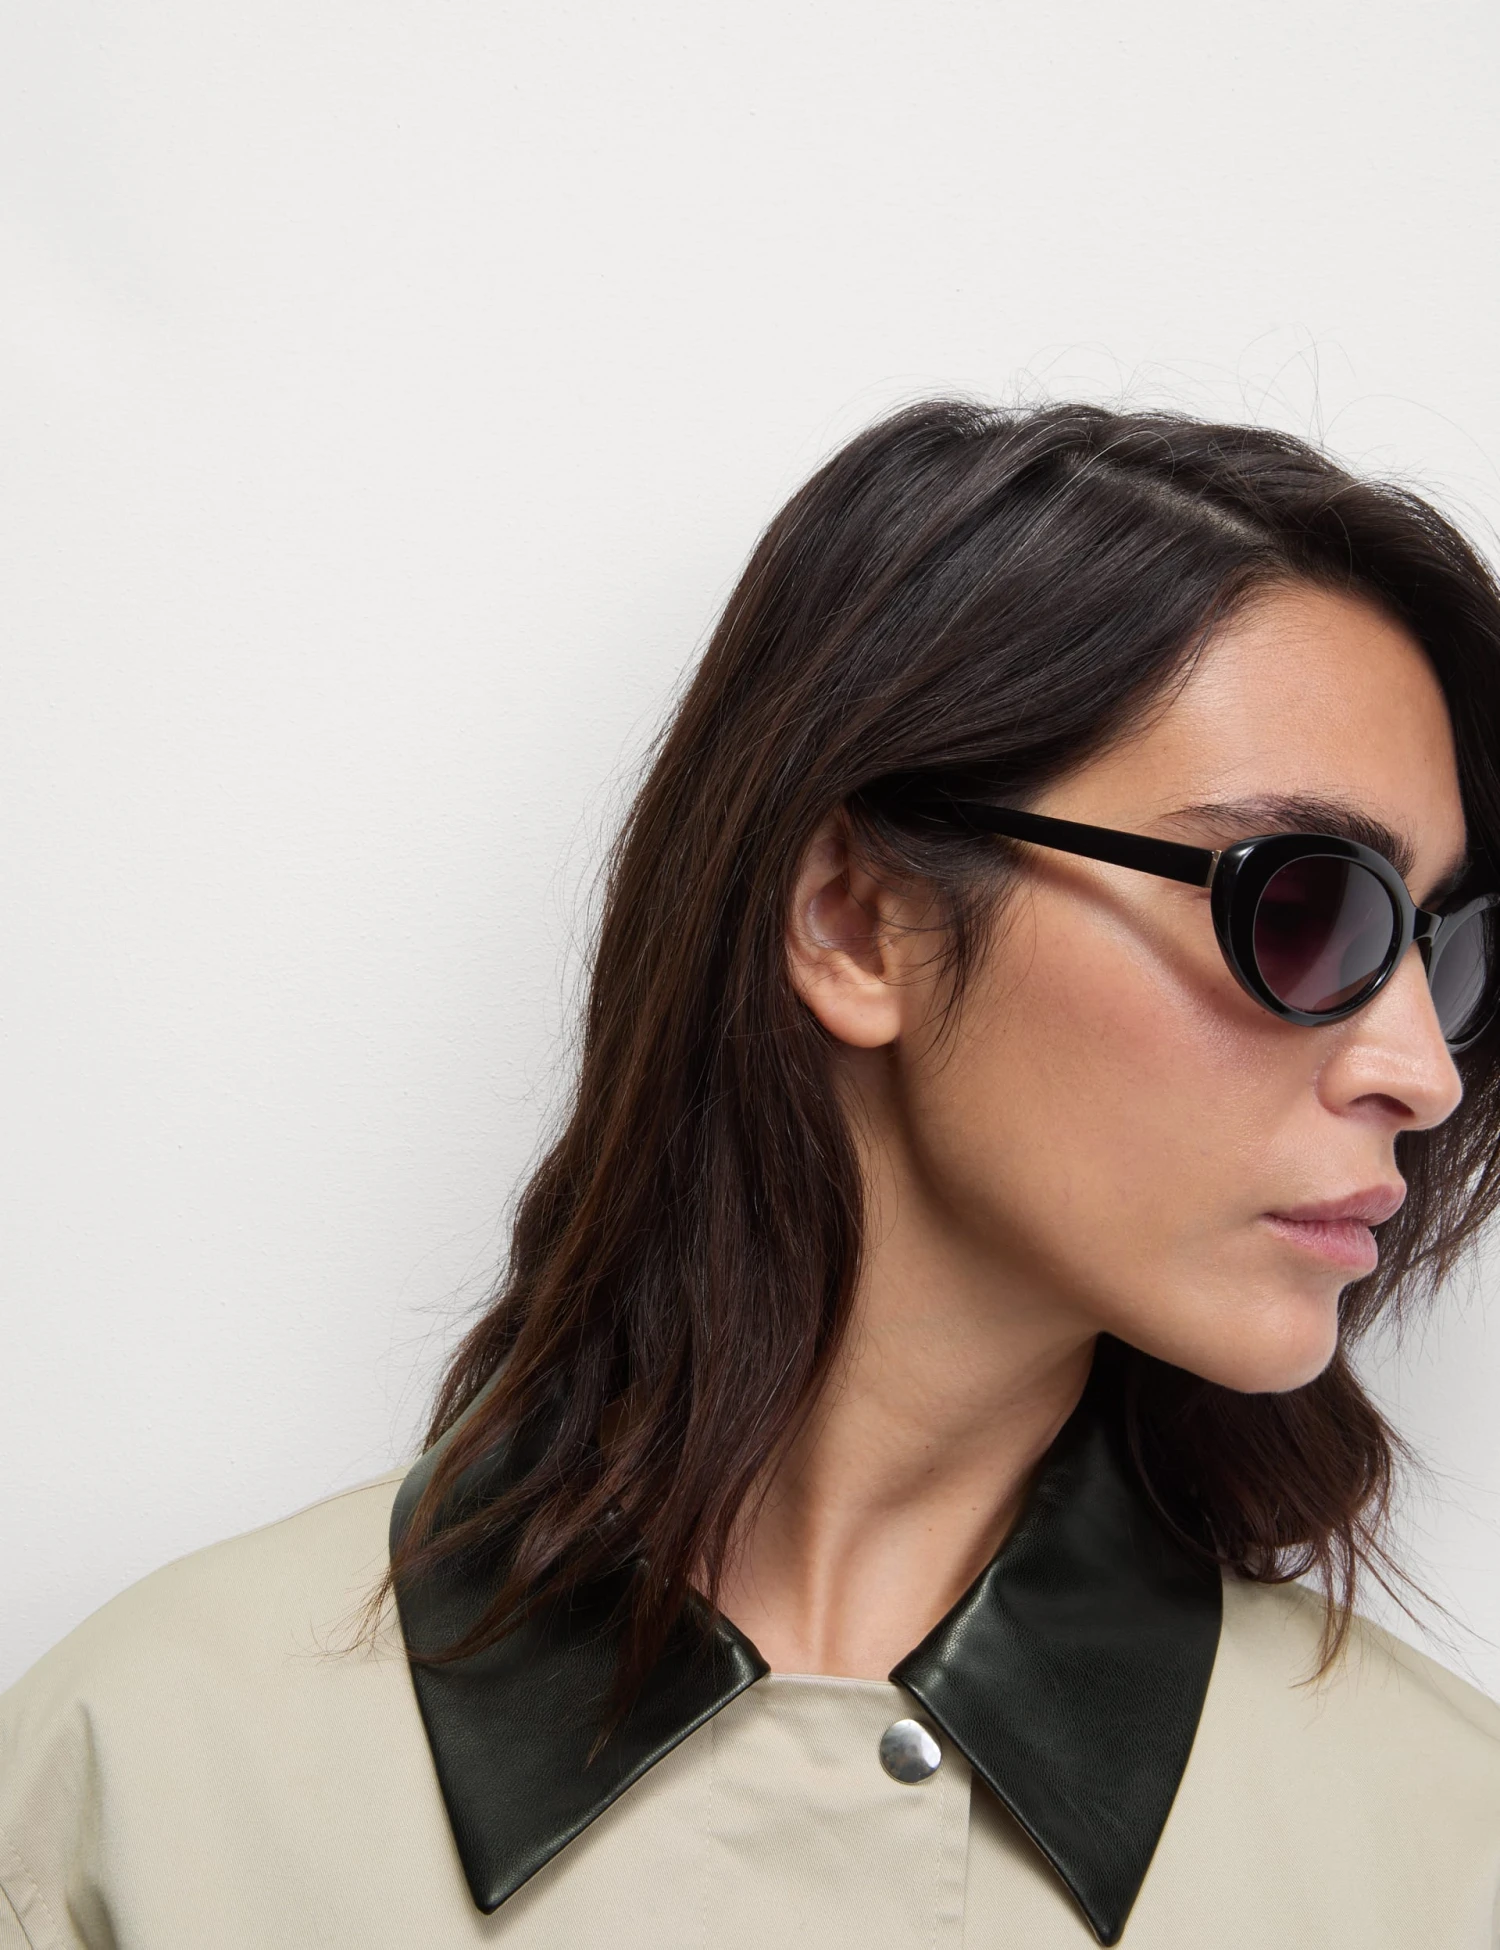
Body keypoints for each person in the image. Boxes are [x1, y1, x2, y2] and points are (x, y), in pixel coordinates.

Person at [4, 398, 1500, 1949]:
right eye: (1303, 908)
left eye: (1445, 948)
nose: (1425, 1067)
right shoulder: (154, 1788)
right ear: (855, 918)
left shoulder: (1445, 1863)